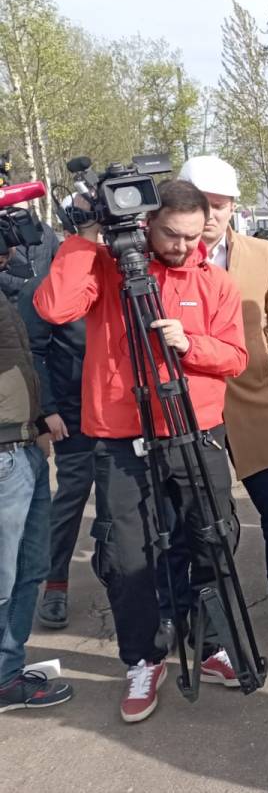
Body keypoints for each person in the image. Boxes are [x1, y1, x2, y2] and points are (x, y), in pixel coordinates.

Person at [34, 181, 248, 724]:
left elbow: (235, 357)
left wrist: (189, 343)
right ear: (148, 223)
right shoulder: (107, 269)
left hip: (196, 429)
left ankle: (215, 643)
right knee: (129, 556)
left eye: (194, 237)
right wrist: (84, 236)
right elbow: (54, 308)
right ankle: (143, 659)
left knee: (211, 539)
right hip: (120, 435)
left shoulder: (214, 280)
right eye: (173, 235)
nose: (182, 246)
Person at [175, 155, 268, 629]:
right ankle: (197, 607)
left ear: (234, 206)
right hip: (190, 410)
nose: (211, 215)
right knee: (197, 518)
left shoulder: (260, 254)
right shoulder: (168, 261)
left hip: (251, 403)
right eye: (203, 204)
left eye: (220, 204)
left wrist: (248, 354)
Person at [0, 246, 71, 712]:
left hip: (22, 445)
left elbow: (22, 360)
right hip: (4, 455)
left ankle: (7, 674)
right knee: (5, 576)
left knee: (28, 569)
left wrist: (40, 418)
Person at [17, 278, 94, 631]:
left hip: (124, 413)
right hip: (71, 413)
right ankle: (56, 584)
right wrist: (46, 410)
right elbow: (33, 352)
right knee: (71, 499)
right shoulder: (48, 286)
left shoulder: (124, 276)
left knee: (128, 503)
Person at [0, 200, 59, 304]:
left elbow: (59, 261)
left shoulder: (45, 230)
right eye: (15, 213)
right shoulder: (3, 237)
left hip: (50, 298)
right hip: (16, 303)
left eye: (25, 212)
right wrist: (26, 284)